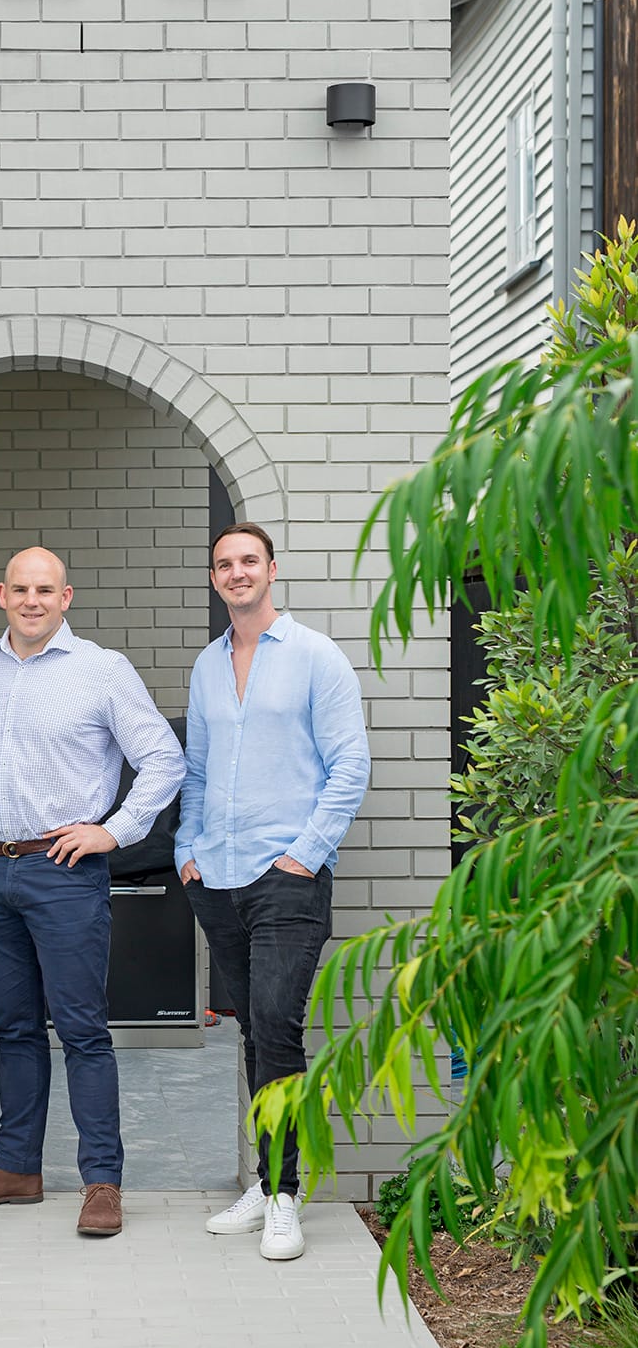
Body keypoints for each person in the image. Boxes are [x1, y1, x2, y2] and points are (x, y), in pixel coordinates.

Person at [0, 547, 186, 1238]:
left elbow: (162, 758)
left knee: (81, 1029)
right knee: (10, 1027)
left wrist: (114, 830)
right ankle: (15, 1169)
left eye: (45, 590)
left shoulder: (101, 670)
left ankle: (102, 1182)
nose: (31, 600)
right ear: (1, 594)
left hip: (62, 873)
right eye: (20, 589)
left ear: (65, 598)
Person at [177, 524, 370, 1261]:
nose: (236, 573)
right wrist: (187, 848)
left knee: (277, 1028)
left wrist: (304, 855)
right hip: (217, 877)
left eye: (248, 561)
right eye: (223, 564)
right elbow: (197, 769)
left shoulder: (316, 656)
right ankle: (266, 1184)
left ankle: (286, 1196)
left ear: (271, 571)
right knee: (253, 1033)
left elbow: (350, 765)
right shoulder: (207, 665)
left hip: (286, 879)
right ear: (214, 578)